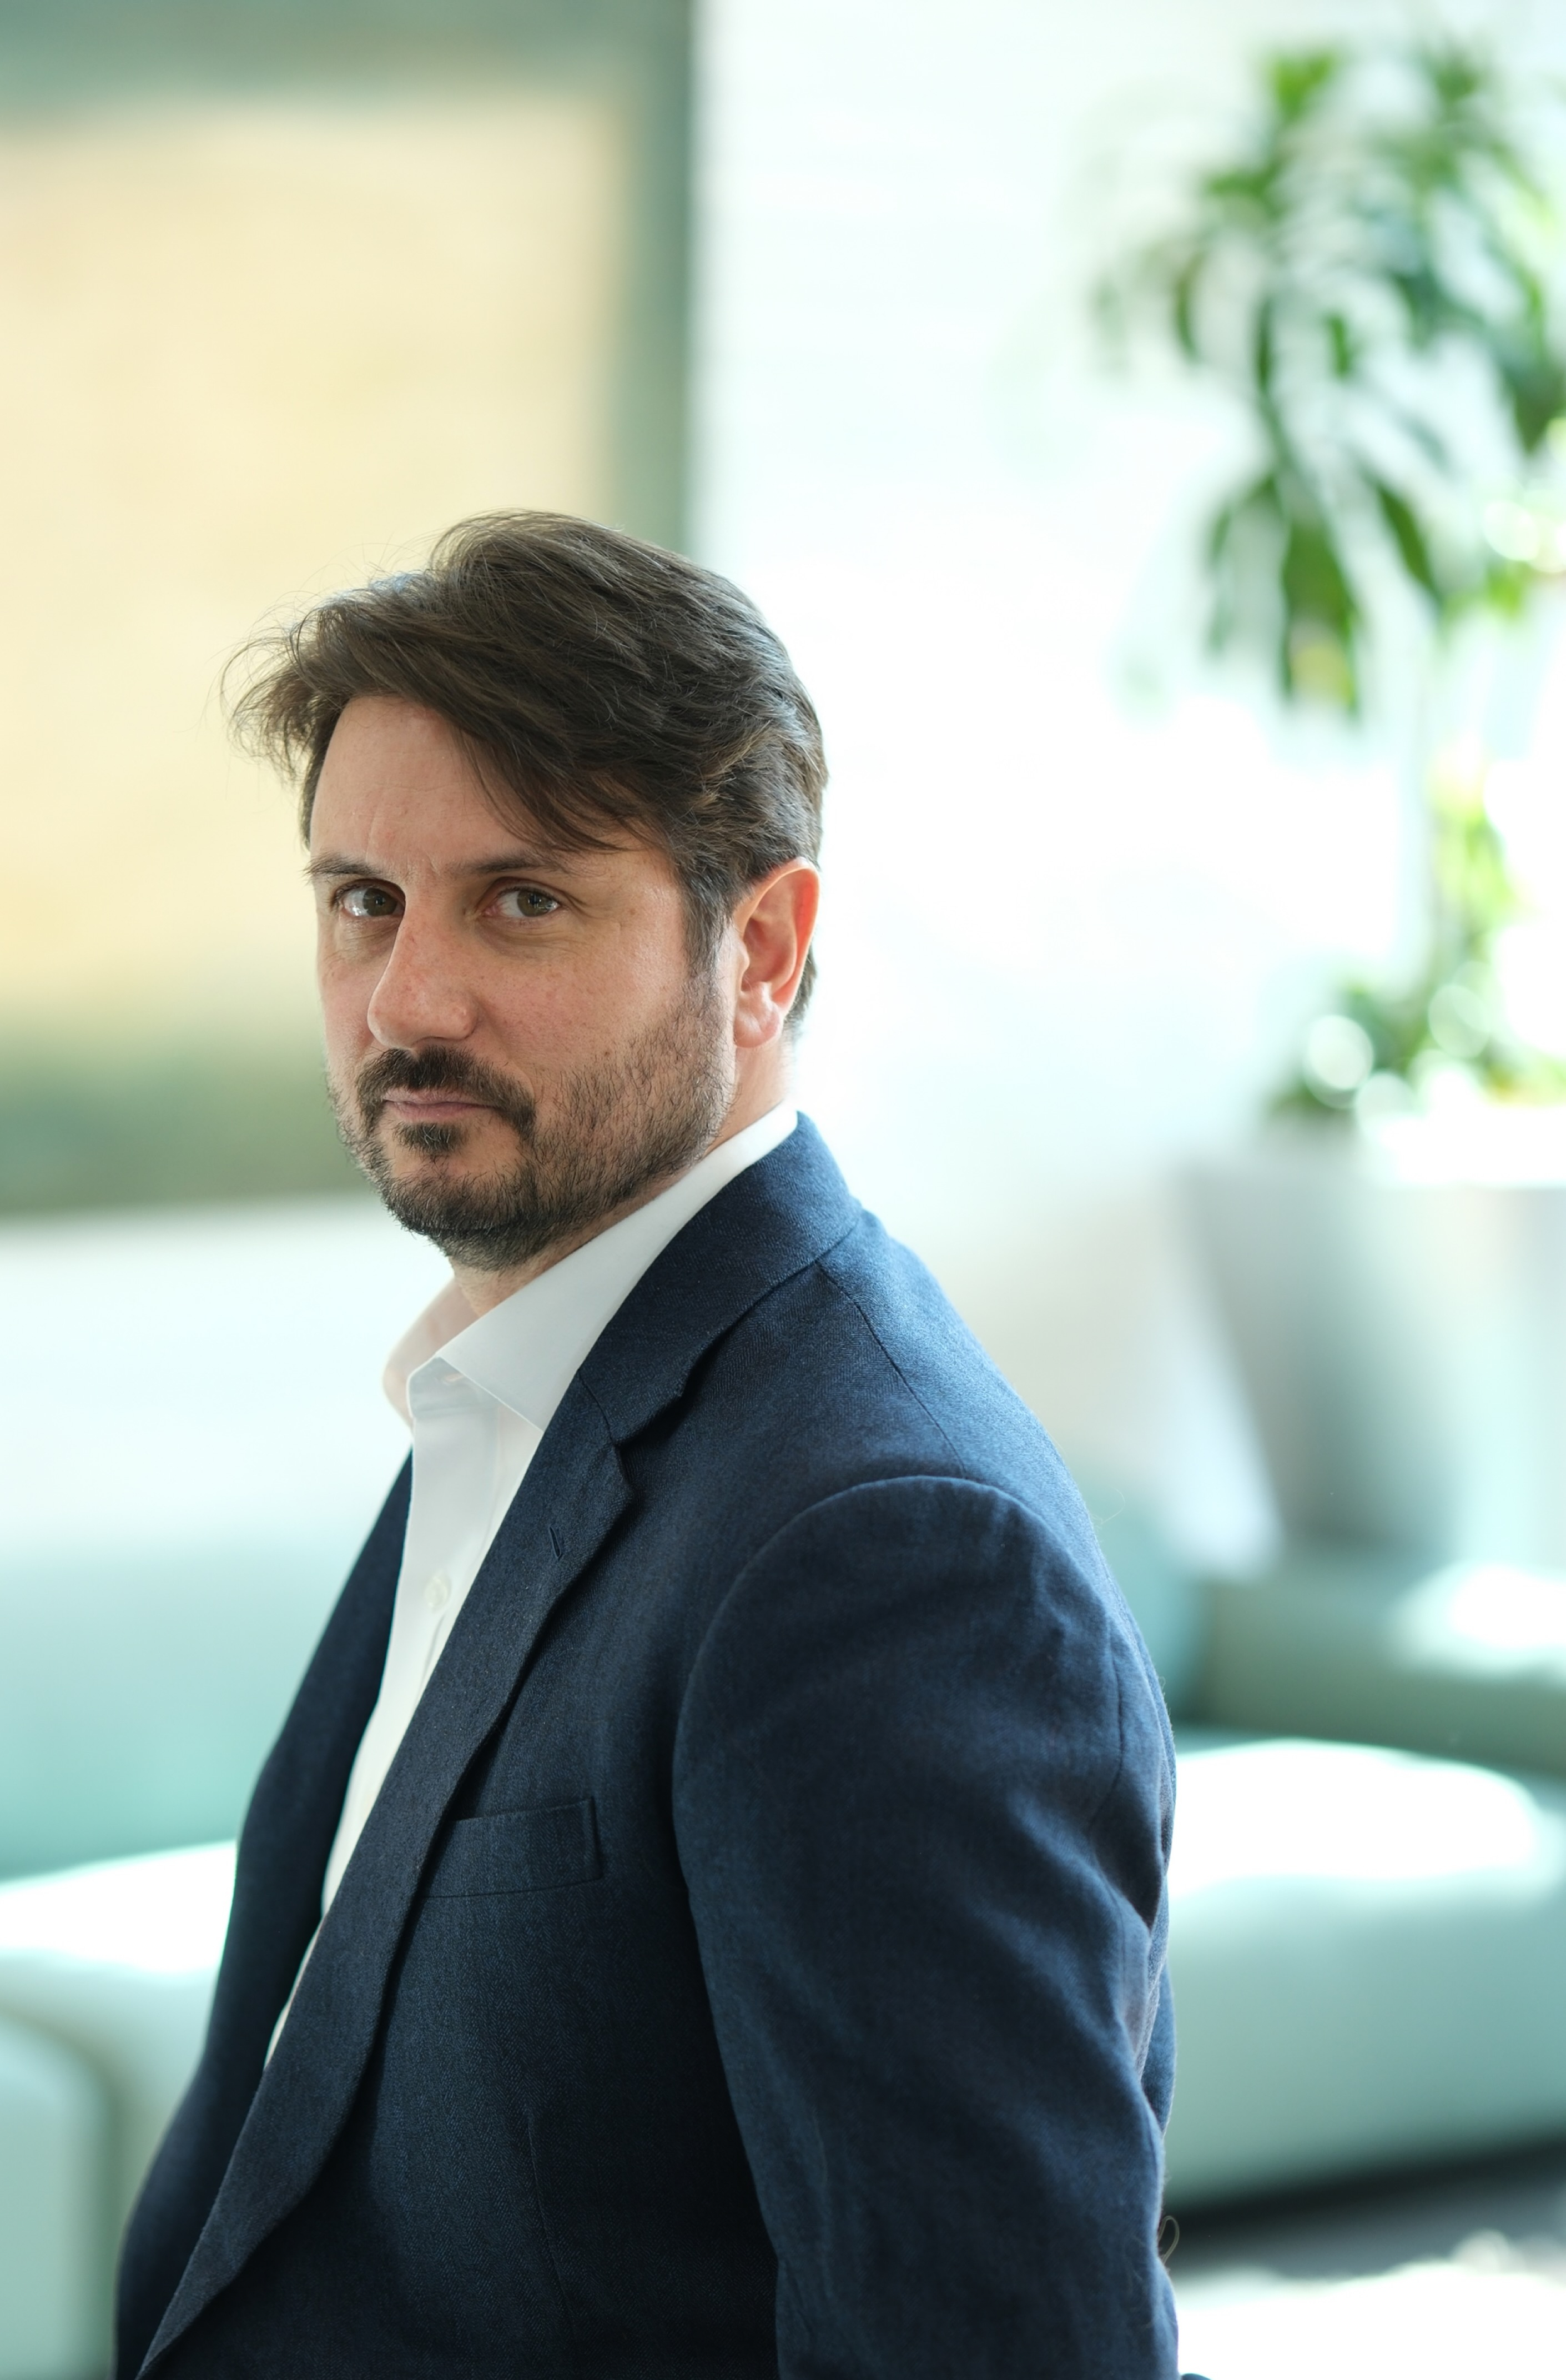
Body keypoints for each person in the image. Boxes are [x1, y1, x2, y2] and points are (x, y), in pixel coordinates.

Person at [115, 513, 1177, 2378]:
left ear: (759, 948)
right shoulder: (525, 1381)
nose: (407, 1000)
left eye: (523, 899)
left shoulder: (886, 1550)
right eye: (363, 899)